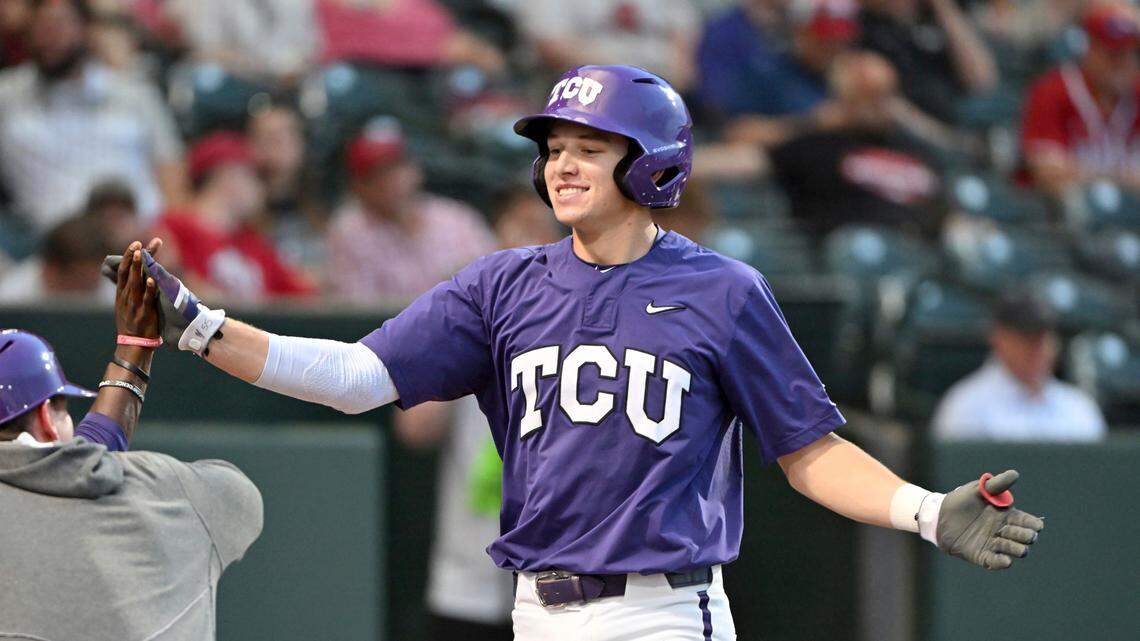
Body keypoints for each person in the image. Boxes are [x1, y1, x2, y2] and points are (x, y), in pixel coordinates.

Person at [110, 65, 1045, 640]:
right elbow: (360, 378)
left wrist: (922, 510)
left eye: (590, 147)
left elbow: (806, 449)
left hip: (663, 612)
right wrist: (201, 327)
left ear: (653, 165)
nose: (561, 163)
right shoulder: (502, 284)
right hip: (534, 612)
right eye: (555, 145)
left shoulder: (723, 290)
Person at [0, 239, 263, 640]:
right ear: (46, 420)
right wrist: (163, 339)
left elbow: (76, 461)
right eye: (61, 408)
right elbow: (242, 503)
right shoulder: (158, 488)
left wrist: (134, 348)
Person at [393, 187, 559, 641]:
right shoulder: (474, 314)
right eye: (516, 224)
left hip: (564, 576)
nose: (529, 238)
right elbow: (415, 428)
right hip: (468, 570)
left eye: (542, 226)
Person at [0, 0, 186, 234]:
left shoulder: (133, 93)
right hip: (61, 243)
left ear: (86, 29)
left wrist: (173, 229)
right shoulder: (7, 98)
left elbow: (170, 167)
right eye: (38, 27)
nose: (49, 36)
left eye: (58, 24)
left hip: (145, 232)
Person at [325, 120, 497, 304]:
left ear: (415, 170)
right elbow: (357, 312)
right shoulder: (350, 231)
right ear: (358, 186)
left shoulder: (456, 218)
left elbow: (493, 285)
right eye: (377, 174)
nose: (391, 180)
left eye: (397, 167)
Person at [153, 131, 315, 302]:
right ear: (229, 176)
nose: (262, 189)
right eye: (255, 176)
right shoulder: (171, 229)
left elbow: (306, 296)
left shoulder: (253, 244)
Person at [932, 289, 1107, 441]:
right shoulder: (966, 406)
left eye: (1043, 337)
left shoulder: (1079, 407)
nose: (1037, 348)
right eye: (1026, 337)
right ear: (998, 337)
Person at [699, 0, 861, 146]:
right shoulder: (766, 73)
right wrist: (811, 123)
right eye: (825, 41)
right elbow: (736, 133)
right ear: (800, 33)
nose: (834, 48)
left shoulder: (853, 74)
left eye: (841, 40)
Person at [1020, 1, 1140, 196]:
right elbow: (1048, 174)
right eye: (1114, 55)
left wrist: (1081, 173)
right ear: (1089, 50)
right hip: (1058, 218)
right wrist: (1122, 179)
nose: (1123, 65)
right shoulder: (1052, 91)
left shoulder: (1136, 91)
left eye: (1131, 54)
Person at [857, 0, 998, 123]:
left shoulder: (934, 16)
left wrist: (943, 7)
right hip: (912, 132)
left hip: (960, 112)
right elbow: (890, 106)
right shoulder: (866, 29)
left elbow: (981, 80)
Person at [514, 0, 700, 90]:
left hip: (659, 92)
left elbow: (683, 60)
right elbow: (553, 49)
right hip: (582, 91)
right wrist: (629, 75)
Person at [0, 213, 114, 303]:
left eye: (92, 284)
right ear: (50, 270)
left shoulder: (116, 293)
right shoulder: (10, 298)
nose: (83, 294)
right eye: (80, 282)